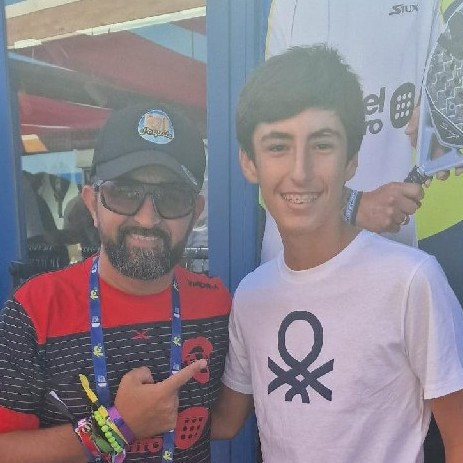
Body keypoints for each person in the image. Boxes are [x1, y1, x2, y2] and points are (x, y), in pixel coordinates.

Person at [211, 46, 463, 462]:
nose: (301, 172)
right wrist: (117, 422)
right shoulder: (252, 295)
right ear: (249, 163)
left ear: (351, 161)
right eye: (278, 146)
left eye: (322, 145)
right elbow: (223, 420)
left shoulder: (410, 281)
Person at [0, 103, 231, 462]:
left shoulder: (216, 304)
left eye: (172, 198)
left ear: (195, 212)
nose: (147, 219)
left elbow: (224, 423)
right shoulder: (35, 309)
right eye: (124, 193)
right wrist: (116, 428)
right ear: (92, 203)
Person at [260, 0, 463, 263]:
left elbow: (440, 91)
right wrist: (353, 205)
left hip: (399, 253)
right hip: (302, 258)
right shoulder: (294, 6)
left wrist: (434, 122)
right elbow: (277, 145)